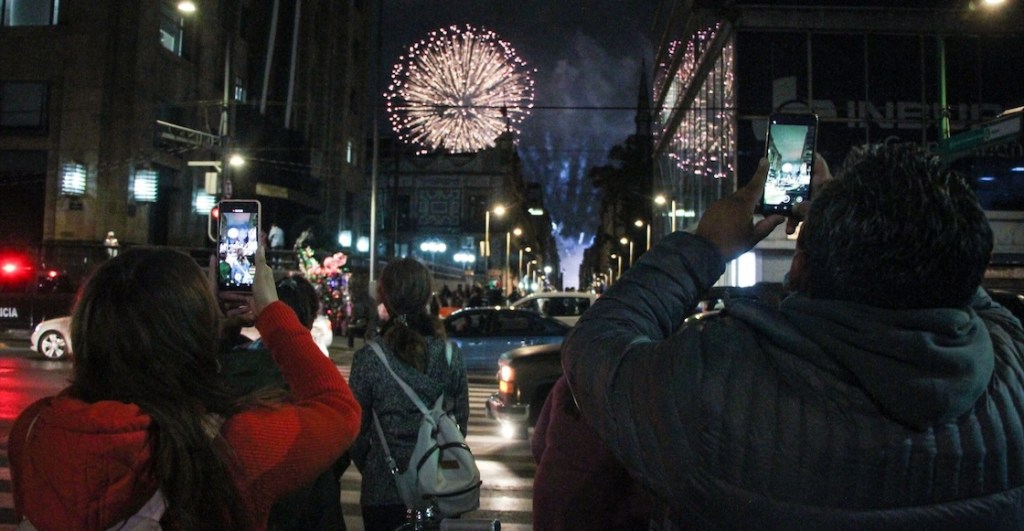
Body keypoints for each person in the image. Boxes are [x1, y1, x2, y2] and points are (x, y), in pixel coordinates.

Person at [562, 143, 1024, 529]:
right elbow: (956, 279)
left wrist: (705, 247)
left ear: (800, 264)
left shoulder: (715, 385)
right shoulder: (1013, 370)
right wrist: (908, 227)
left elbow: (597, 345)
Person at [9, 246, 361, 530]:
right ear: (193, 334)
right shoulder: (230, 447)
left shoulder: (33, 430)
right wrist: (269, 309)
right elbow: (337, 406)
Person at [218, 274, 349, 531]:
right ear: (310, 320)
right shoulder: (315, 382)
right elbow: (342, 440)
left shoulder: (225, 366)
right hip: (312, 509)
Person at [348, 258, 470, 531]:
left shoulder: (369, 358)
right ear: (428, 295)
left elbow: (355, 431)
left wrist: (377, 465)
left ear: (384, 297)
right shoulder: (450, 355)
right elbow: (460, 423)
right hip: (438, 489)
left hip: (383, 492)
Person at [532, 375, 653, 530]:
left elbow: (538, 444)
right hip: (596, 500)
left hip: (551, 496)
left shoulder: (567, 383)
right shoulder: (629, 390)